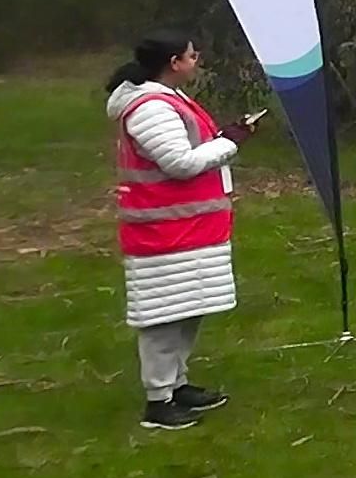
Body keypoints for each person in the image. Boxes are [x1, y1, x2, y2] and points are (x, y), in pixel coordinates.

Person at [104, 30, 258, 431]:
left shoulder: (170, 99)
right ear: (174, 63)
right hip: (163, 231)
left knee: (187, 308)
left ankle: (177, 383)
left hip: (187, 227)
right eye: (191, 55)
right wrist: (229, 142)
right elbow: (179, 162)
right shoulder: (150, 108)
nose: (197, 59)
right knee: (162, 317)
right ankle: (158, 400)